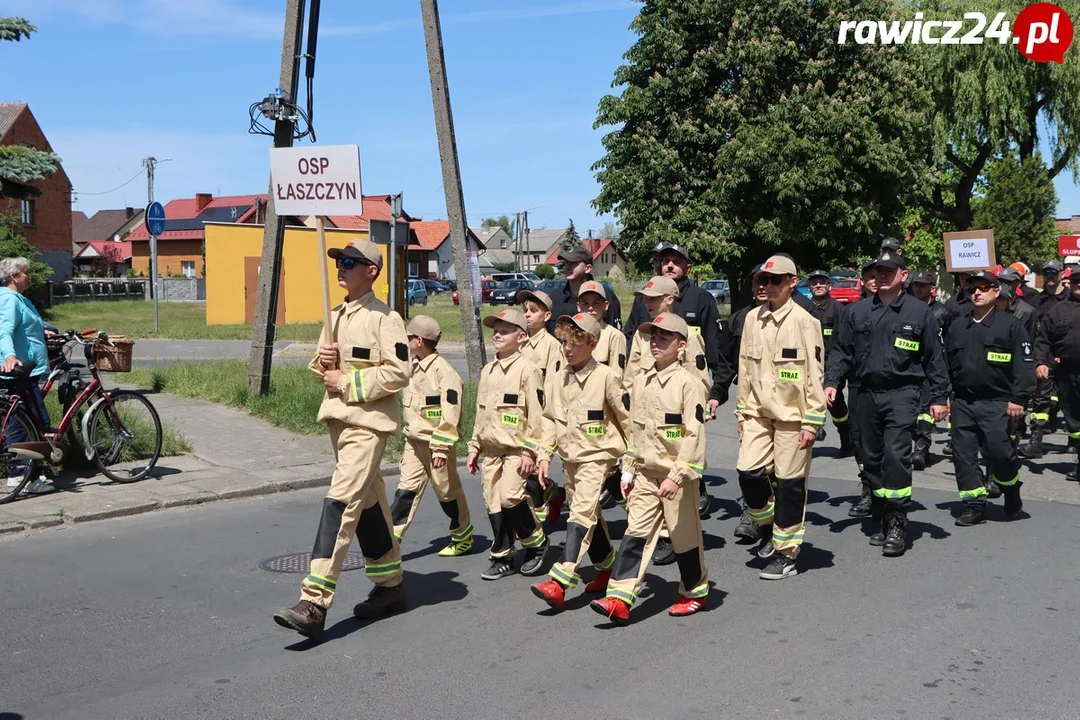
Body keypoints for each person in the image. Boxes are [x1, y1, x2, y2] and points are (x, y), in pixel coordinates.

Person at [274, 239, 410, 640]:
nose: (341, 268)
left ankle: (314, 600)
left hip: (368, 424)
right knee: (368, 506)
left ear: (371, 270)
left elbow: (398, 373)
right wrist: (324, 364)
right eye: (339, 261)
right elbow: (320, 368)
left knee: (340, 500)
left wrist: (346, 380)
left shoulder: (387, 319)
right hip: (338, 421)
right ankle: (391, 587)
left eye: (350, 262)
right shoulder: (334, 316)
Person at [825, 251, 950, 556]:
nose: (882, 276)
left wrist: (939, 397)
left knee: (896, 455)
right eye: (878, 271)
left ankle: (897, 521)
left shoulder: (919, 313)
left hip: (902, 394)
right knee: (871, 457)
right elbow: (841, 350)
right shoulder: (856, 312)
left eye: (889, 271)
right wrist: (831, 381)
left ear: (903, 275)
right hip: (866, 394)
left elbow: (934, 357)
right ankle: (881, 511)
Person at [591, 313, 709, 624]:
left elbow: (694, 434)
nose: (655, 342)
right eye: (652, 336)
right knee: (635, 534)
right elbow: (636, 431)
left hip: (676, 477)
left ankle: (695, 591)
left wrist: (677, 475)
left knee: (684, 539)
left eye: (664, 337)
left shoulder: (688, 384)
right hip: (645, 473)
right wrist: (628, 468)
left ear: (681, 346)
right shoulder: (641, 380)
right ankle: (618, 596)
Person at [623, 242, 734, 514]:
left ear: (687, 267)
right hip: (648, 391)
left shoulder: (701, 299)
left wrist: (714, 393)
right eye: (664, 261)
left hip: (681, 394)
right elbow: (633, 350)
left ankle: (693, 490)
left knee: (683, 442)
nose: (669, 265)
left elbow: (711, 352)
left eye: (675, 261)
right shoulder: (643, 302)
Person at [735, 255, 827, 580]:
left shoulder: (806, 322)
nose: (768, 285)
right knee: (747, 472)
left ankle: (786, 553)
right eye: (764, 280)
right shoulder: (751, 319)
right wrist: (742, 412)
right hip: (758, 415)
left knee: (789, 485)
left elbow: (816, 377)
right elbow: (744, 370)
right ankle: (767, 526)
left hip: (793, 418)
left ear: (792, 282)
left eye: (776, 280)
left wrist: (813, 421)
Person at [531, 313, 629, 609]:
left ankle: (559, 581)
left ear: (593, 343)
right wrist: (544, 454)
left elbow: (629, 422)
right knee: (590, 516)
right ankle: (606, 566)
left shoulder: (607, 378)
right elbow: (549, 420)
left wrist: (633, 462)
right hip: (570, 460)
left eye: (576, 342)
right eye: (564, 342)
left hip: (597, 459)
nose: (568, 348)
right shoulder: (559, 377)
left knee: (579, 518)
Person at [621, 275, 710, 565]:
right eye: (645, 299)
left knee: (678, 504)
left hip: (675, 422)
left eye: (653, 299)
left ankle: (674, 539)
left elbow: (699, 379)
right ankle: (658, 537)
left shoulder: (688, 335)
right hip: (646, 420)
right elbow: (632, 374)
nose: (647, 304)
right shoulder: (642, 335)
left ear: (669, 299)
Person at [945, 272, 1034, 523]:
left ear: (997, 292)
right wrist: (944, 395)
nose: (977, 292)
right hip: (963, 402)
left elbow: (1024, 364)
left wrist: (1019, 398)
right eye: (973, 288)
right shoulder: (957, 326)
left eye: (984, 288)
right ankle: (974, 504)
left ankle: (1011, 488)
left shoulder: (1010, 326)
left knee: (1000, 454)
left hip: (998, 402)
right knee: (963, 456)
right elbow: (945, 364)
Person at [468, 308, 549, 579]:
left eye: (505, 330)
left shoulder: (528, 370)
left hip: (517, 450)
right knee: (493, 502)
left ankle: (535, 542)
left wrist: (530, 451)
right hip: (491, 450)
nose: (497, 335)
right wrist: (474, 447)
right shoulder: (488, 371)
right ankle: (503, 556)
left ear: (522, 336)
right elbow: (482, 414)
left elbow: (537, 416)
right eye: (496, 330)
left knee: (510, 497)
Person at [389, 315, 473, 556]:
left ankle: (462, 535)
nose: (405, 342)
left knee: (447, 493)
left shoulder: (444, 373)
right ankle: (390, 542)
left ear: (418, 340)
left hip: (437, 445)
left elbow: (450, 415)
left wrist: (440, 448)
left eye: (408, 337)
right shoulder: (412, 366)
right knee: (406, 491)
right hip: (414, 442)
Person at [0, 257, 52, 495]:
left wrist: (48, 332)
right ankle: (18, 476)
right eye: (26, 272)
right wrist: (10, 356)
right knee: (23, 424)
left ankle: (33, 474)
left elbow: (30, 325)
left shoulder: (18, 299)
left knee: (33, 422)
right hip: (19, 372)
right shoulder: (8, 299)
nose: (29, 276)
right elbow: (4, 330)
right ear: (14, 276)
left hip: (29, 370)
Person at [517, 289, 566, 527]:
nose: (527, 315)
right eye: (525, 310)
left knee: (534, 471)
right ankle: (555, 494)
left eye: (533, 311)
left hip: (541, 415)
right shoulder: (518, 341)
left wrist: (550, 418)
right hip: (518, 415)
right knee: (521, 470)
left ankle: (535, 525)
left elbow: (554, 387)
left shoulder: (551, 347)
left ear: (547, 316)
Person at [1034, 270, 1080, 481]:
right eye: (1076, 281)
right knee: (1074, 420)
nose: (1079, 284)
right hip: (1067, 373)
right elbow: (1044, 340)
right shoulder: (1057, 310)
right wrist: (1042, 362)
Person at [1020, 261, 1068, 458]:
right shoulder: (1036, 299)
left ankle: (1074, 442)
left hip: (1067, 357)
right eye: (1046, 272)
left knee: (1070, 401)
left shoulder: (1069, 298)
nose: (1049, 276)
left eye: (1053, 273)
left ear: (1060, 274)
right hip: (1044, 356)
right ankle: (1036, 441)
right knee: (1040, 401)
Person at [806, 269, 852, 456]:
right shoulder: (804, 308)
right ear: (809, 287)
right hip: (809, 365)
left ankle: (846, 439)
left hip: (831, 364)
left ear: (829, 286)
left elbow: (842, 339)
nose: (818, 286)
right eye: (814, 283)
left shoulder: (838, 309)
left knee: (835, 403)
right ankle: (813, 432)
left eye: (822, 282)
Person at [909, 271, 951, 471]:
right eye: (916, 285)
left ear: (932, 289)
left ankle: (921, 449)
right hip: (909, 368)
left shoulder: (942, 312)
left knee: (925, 413)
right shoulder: (907, 310)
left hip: (931, 368)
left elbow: (949, 345)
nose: (918, 288)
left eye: (923, 285)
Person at [547, 246, 621, 332]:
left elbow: (613, 333)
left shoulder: (606, 296)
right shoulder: (555, 297)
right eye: (567, 263)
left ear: (588, 268)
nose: (568, 267)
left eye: (574, 263)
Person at [577, 280, 626, 377]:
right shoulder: (571, 335)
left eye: (596, 303)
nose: (590, 308)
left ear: (605, 305)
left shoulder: (614, 336)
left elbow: (617, 376)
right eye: (585, 304)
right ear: (578, 307)